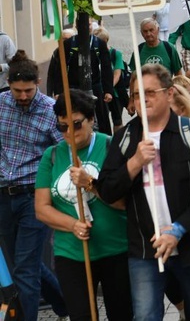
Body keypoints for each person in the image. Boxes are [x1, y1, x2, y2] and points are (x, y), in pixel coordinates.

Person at [97, 64, 190, 321]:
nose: (142, 99)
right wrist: (133, 164)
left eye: (150, 92)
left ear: (169, 94)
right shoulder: (125, 138)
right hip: (145, 248)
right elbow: (107, 190)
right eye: (136, 94)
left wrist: (178, 228)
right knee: (145, 315)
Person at [35, 89, 132, 321]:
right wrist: (72, 225)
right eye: (62, 127)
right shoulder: (52, 156)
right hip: (71, 253)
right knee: (82, 316)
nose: (69, 132)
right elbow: (41, 208)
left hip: (115, 249)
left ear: (91, 120)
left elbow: (126, 203)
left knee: (122, 314)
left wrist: (90, 183)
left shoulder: (111, 147)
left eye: (76, 124)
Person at [0, 51, 67, 321]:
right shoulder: (1, 104)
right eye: (17, 91)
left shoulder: (51, 110)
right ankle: (66, 305)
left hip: (33, 197)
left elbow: (62, 150)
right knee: (22, 264)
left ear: (37, 82)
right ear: (9, 84)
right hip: (3, 195)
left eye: (28, 90)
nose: (23, 96)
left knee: (24, 271)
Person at [48, 23, 115, 135]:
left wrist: (108, 90)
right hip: (73, 88)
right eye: (83, 23)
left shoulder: (99, 44)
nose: (86, 27)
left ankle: (105, 144)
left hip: (95, 87)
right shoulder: (68, 44)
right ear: (77, 26)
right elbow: (60, 69)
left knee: (102, 120)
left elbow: (106, 68)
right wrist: (59, 91)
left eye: (88, 24)